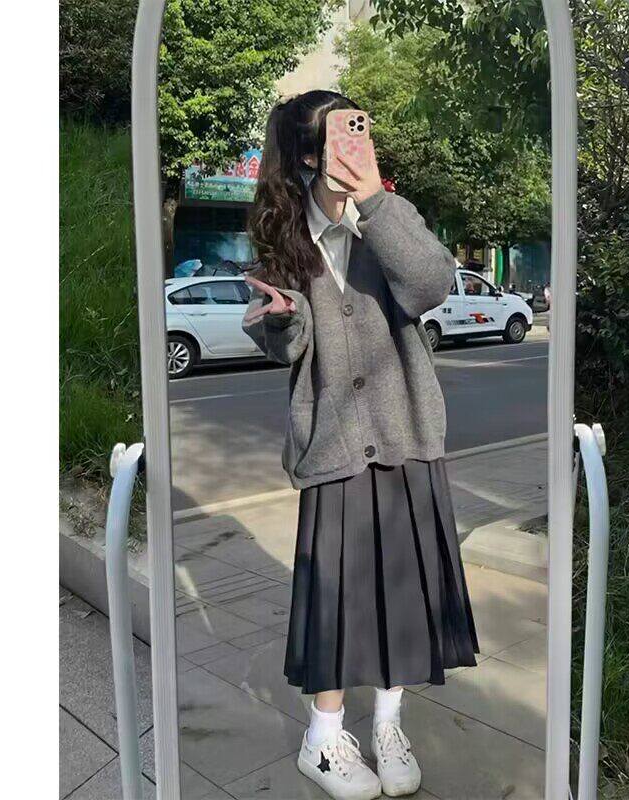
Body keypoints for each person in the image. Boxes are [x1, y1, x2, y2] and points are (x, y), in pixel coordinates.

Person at [242, 90, 479, 800]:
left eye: (360, 130)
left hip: (406, 432)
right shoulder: (286, 234)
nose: (355, 144)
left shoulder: (390, 215)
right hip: (334, 442)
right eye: (339, 137)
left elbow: (431, 283)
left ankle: (388, 725)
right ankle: (322, 739)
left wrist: (373, 199)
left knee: (403, 589)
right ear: (307, 156)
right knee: (336, 595)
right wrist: (279, 320)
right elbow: (287, 345)